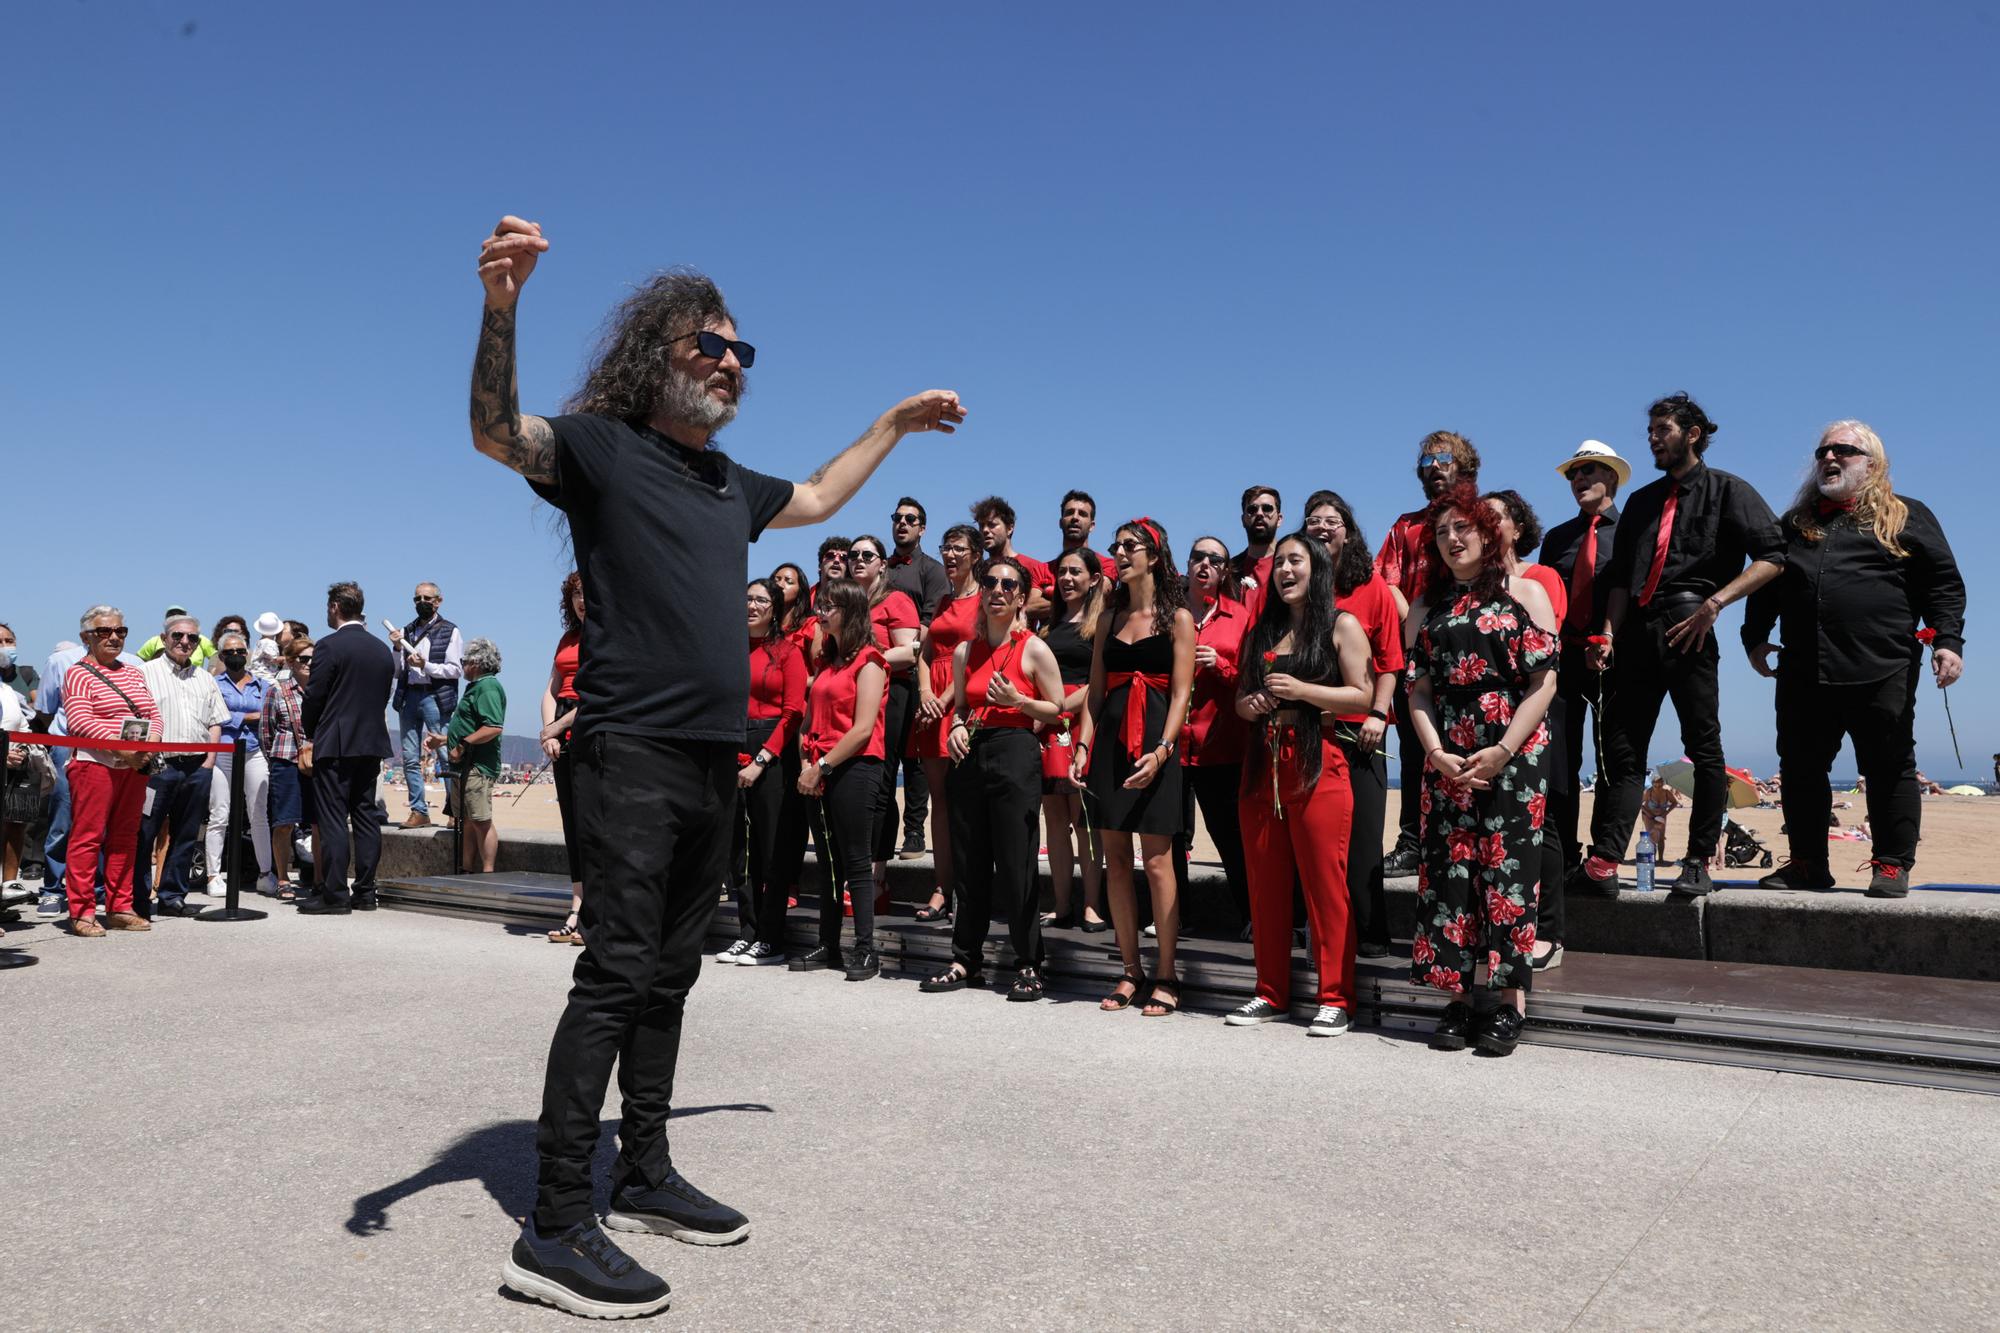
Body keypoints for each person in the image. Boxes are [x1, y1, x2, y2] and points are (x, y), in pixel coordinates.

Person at [471, 215, 964, 1316]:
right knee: (613, 972)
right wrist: (501, 306)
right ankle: (554, 1224)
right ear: (660, 355)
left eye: (744, 351)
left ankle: (641, 1172)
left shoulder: (726, 483)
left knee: (672, 973)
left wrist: (890, 420)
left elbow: (826, 498)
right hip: (628, 751)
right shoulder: (601, 448)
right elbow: (498, 432)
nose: (733, 363)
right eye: (713, 345)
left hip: (710, 761)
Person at [1744, 420, 1966, 897]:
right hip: (1805, 668)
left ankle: (1891, 864)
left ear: (1873, 463)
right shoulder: (1796, 522)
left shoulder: (1907, 514)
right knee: (1801, 768)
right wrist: (1755, 637)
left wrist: (1948, 640)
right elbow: (1766, 580)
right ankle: (1807, 864)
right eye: (1823, 450)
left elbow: (1943, 583)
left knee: (1888, 766)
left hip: (1881, 665)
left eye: (1843, 450)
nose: (1829, 457)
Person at [1583, 393, 1784, 897]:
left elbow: (1773, 556)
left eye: (1663, 429)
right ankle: (1605, 860)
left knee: (1703, 746)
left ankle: (1697, 861)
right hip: (1635, 630)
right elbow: (1619, 580)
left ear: (1692, 433)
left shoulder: (1729, 490)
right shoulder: (1642, 501)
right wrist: (1607, 633)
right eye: (1650, 429)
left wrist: (1715, 605)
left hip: (1692, 623)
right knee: (1621, 750)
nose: (1653, 437)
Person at [1406, 483, 1559, 1057]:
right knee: (1449, 872)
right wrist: (1435, 752)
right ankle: (1459, 997)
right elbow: (1417, 692)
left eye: (1462, 528)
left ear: (1488, 531)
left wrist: (1503, 751)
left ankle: (1508, 1000)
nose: (1451, 539)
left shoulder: (1526, 591)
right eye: (1441, 532)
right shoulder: (1427, 606)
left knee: (1507, 873)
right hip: (1447, 747)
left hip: (1513, 748)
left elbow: (1544, 682)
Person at [1225, 534, 1374, 1035]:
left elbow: (1362, 696)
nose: (1286, 570)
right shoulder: (1262, 628)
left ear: (1318, 570)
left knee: (1325, 884)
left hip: (1318, 762)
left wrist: (1303, 691)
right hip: (1262, 762)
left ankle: (1336, 997)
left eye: (1297, 561)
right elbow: (1242, 699)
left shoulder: (1341, 624)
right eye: (1281, 563)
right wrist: (1250, 705)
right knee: (1264, 886)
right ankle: (1270, 992)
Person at [920, 557, 1067, 999]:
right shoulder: (966, 650)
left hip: (1015, 750)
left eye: (1008, 584)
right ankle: (966, 959)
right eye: (991, 583)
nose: (998, 590)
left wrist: (1020, 701)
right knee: (969, 863)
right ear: (982, 592)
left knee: (1017, 863)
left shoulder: (1034, 648)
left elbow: (1057, 708)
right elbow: (962, 705)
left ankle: (1028, 963)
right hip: (971, 754)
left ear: (1022, 597)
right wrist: (959, 726)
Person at [1074, 518, 1196, 1017]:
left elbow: (1183, 692)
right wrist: (1082, 745)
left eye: (1130, 546)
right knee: (1116, 860)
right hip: (1110, 747)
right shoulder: (1107, 618)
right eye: (1116, 547)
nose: (1120, 554)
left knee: (1161, 861)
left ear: (1154, 553)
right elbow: (1096, 693)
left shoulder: (1179, 619)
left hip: (1157, 747)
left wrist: (1164, 749)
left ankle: (1167, 974)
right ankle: (1130, 970)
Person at [1301, 490, 1403, 958]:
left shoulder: (1372, 588)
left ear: (1348, 530)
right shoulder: (1297, 588)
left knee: (1363, 842)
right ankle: (1320, 933)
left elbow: (1389, 661)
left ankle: (1372, 934)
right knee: (1314, 842)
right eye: (1313, 521)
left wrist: (1379, 714)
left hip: (1359, 730)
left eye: (1332, 520)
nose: (1322, 528)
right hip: (1305, 732)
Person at [1378, 431, 1480, 878]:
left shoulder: (1481, 519)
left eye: (1444, 458)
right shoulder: (1406, 525)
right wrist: (1417, 630)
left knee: (1473, 745)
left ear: (1464, 465)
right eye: (1426, 461)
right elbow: (1386, 582)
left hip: (1474, 654)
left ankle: (1468, 838)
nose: (1434, 467)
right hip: (1417, 651)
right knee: (1416, 749)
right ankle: (1411, 841)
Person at [1486, 488, 1570, 967]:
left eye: (1497, 518)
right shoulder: (1471, 583)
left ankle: (1550, 932)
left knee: (1546, 820)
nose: (1488, 526)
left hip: (1535, 705)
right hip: (1485, 717)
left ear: (1518, 527)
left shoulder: (1541, 577)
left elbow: (1545, 647)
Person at [1541, 441, 1628, 898]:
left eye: (1588, 471)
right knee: (1560, 763)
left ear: (1611, 478)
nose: (1579, 480)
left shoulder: (1631, 530)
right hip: (1563, 661)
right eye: (1574, 473)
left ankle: (1602, 859)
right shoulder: (1556, 538)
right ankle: (1562, 855)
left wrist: (1610, 638)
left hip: (1616, 660)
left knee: (1612, 762)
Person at [790, 580, 889, 981]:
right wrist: (804, 765)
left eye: (830, 606)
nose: (821, 612)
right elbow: (809, 722)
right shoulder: (826, 664)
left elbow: (863, 729)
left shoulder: (870, 661)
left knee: (855, 860)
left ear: (851, 612)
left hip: (854, 767)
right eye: (821, 605)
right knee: (828, 860)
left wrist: (822, 767)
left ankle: (866, 949)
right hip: (819, 768)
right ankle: (828, 943)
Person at [61, 605, 163, 936]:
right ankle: (82, 911)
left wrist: (149, 745)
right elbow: (80, 721)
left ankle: (120, 906)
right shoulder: (77, 672)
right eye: (105, 632)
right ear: (86, 637)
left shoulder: (134, 672)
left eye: (120, 631)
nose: (114, 637)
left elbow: (152, 713)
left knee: (125, 837)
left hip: (133, 766)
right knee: (87, 837)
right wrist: (123, 750)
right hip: (94, 764)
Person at [718, 578, 804, 965]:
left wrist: (761, 760)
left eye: (760, 600)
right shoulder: (730, 650)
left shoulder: (787, 651)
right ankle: (747, 931)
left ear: (774, 608)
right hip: (734, 744)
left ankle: (771, 937)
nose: (751, 605)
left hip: (772, 751)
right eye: (747, 598)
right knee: (739, 850)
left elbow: (793, 713)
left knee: (770, 849)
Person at [299, 581, 395, 916]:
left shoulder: (329, 646)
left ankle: (335, 893)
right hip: (371, 741)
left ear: (336, 607)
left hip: (337, 741)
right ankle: (366, 891)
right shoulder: (382, 649)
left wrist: (311, 730)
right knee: (366, 816)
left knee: (333, 819)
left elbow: (315, 695)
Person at [1174, 536, 1251, 936]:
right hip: (1170, 746)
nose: (1205, 564)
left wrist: (1219, 664)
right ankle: (1173, 917)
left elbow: (1251, 683)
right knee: (1170, 839)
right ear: (1187, 564)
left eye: (1215, 560)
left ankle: (1251, 917)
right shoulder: (1166, 614)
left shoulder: (1240, 617)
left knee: (1229, 838)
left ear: (1225, 571)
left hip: (1219, 747)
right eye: (1197, 557)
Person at [908, 523, 984, 924]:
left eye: (958, 549)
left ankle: (970, 891)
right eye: (946, 548)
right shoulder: (940, 601)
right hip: (932, 702)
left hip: (963, 698)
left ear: (975, 554)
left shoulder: (987, 598)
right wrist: (924, 693)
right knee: (940, 800)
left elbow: (979, 657)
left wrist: (945, 697)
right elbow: (923, 651)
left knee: (967, 802)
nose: (950, 556)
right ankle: (942, 888)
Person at [844, 533, 921, 900]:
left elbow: (908, 652)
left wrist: (860, 664)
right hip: (849, 696)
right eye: (853, 554)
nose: (858, 559)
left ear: (881, 563)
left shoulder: (896, 600)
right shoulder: (847, 602)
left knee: (881, 782)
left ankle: (876, 877)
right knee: (853, 781)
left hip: (891, 695)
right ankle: (854, 870)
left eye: (867, 554)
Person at [137, 615, 228, 916]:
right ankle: (138, 897)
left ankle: (172, 895)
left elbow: (216, 721)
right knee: (144, 832)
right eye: (178, 636)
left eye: (192, 638)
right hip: (157, 767)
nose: (185, 642)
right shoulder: (145, 673)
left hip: (196, 767)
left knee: (187, 833)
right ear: (164, 639)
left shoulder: (205, 678)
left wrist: (209, 763)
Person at [1041, 547, 1109, 930]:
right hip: (1048, 726)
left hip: (1080, 720)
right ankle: (1063, 904)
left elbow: (1096, 685)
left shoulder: (1100, 625)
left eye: (1075, 572)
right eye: (1062, 572)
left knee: (1084, 821)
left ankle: (1092, 904)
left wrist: (1056, 706)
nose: (1066, 578)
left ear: (1094, 578)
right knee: (1054, 821)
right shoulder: (1047, 627)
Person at [885, 497, 949, 858]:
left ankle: (914, 833)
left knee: (916, 759)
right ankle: (883, 835)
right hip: (881, 679)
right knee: (884, 758)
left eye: (911, 519)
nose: (903, 523)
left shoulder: (931, 570)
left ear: (922, 528)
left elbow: (931, 624)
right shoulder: (882, 568)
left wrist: (901, 654)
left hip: (914, 674)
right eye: (898, 518)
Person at [206, 630, 278, 895]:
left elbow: (270, 714)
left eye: (240, 651)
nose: (235, 656)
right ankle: (214, 875)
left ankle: (265, 872)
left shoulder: (262, 685)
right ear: (222, 655)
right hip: (223, 749)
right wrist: (247, 717)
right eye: (229, 652)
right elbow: (216, 715)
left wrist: (237, 716)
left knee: (258, 812)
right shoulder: (213, 683)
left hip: (254, 749)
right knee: (219, 813)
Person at [388, 582, 464, 830]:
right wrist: (397, 647)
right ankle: (419, 810)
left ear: (438, 601)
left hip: (435, 697)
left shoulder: (450, 631)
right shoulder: (406, 631)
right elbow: (397, 670)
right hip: (408, 695)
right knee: (410, 757)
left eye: (427, 598)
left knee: (445, 755)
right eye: (418, 598)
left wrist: (426, 666)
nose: (422, 602)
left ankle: (455, 811)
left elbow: (455, 669)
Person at [429, 637, 507, 874]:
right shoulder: (478, 686)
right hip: (466, 766)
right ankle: (466, 869)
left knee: (480, 821)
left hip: (476, 767)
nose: (462, 665)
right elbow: (474, 726)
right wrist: (443, 740)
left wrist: (462, 744)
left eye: (464, 660)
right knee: (468, 822)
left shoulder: (488, 687)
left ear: (478, 662)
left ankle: (487, 872)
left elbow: (493, 727)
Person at [541, 573, 586, 944]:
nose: (582, 600)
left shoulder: (607, 634)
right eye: (575, 594)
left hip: (590, 723)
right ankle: (576, 905)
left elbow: (600, 692)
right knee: (571, 822)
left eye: (588, 593)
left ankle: (594, 911)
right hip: (560, 725)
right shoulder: (567, 638)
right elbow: (551, 688)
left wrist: (557, 728)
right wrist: (547, 731)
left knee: (592, 824)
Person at [261, 636, 315, 901]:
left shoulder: (322, 689)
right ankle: (283, 877)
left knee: (317, 822)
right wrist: (278, 758)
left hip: (316, 763)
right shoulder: (277, 690)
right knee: (284, 823)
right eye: (304, 659)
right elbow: (266, 732)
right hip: (286, 761)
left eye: (314, 659)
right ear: (292, 662)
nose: (310, 664)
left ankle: (319, 876)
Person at [0, 622, 44, 893]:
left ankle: (7, 889)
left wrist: (22, 751)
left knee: (15, 827)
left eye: (8, 640)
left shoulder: (8, 689)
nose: (4, 647)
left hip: (14, 769)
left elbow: (25, 726)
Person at [971, 496, 1054, 619]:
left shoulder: (1034, 567)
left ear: (1010, 528)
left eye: (992, 525)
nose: (985, 530)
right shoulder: (976, 570)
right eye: (981, 526)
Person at [1230, 485, 1283, 609]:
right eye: (1252, 509)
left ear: (1279, 519)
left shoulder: (1293, 565)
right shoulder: (1229, 571)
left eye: (1267, 508)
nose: (1259, 513)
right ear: (1243, 520)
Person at [1057, 490, 1118, 579]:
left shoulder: (1106, 566)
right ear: (1060, 523)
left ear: (1092, 526)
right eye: (1069, 512)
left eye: (1082, 514)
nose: (1075, 517)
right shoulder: (1042, 570)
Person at [136, 604, 217, 667]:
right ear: (163, 639)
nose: (175, 617)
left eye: (179, 615)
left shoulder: (200, 639)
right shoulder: (154, 641)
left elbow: (216, 657)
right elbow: (138, 660)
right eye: (171, 615)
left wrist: (212, 672)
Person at [1639, 772, 1681, 859]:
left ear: (1663, 784)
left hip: (1662, 816)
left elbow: (1674, 803)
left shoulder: (1666, 793)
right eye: (1655, 786)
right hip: (1649, 816)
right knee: (1652, 837)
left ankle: (1661, 858)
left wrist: (1666, 812)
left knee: (1661, 838)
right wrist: (1648, 813)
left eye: (1659, 785)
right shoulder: (1648, 792)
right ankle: (1652, 857)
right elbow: (1639, 804)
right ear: (1652, 784)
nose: (1657, 788)